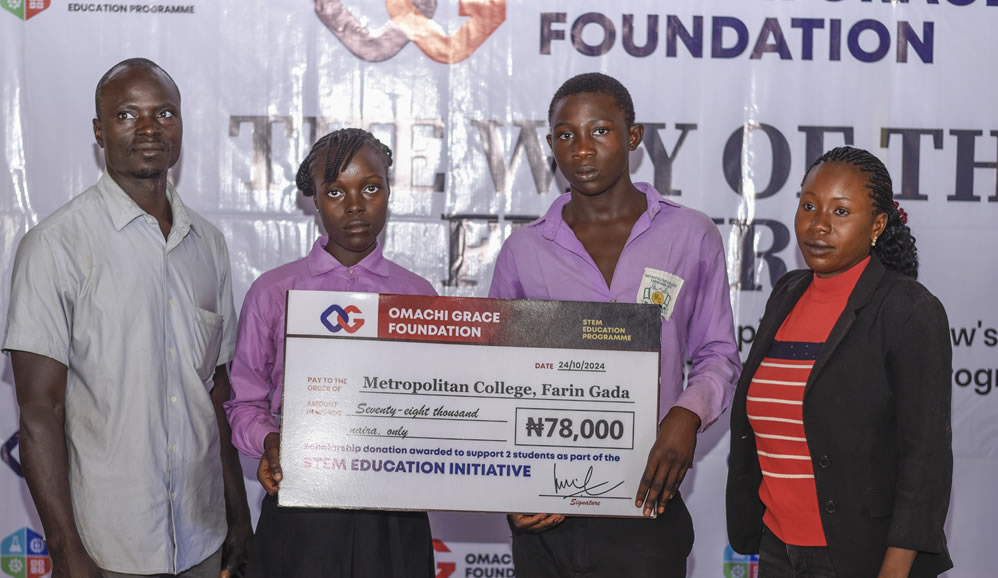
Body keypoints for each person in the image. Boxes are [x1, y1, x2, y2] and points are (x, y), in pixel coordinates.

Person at [2, 58, 251, 577]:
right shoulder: (54, 246)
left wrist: (237, 516)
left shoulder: (209, 245)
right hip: (105, 550)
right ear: (99, 132)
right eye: (126, 115)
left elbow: (216, 391)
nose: (148, 128)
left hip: (203, 538)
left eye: (164, 113)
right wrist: (66, 551)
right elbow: (39, 410)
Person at [488, 72, 741, 577]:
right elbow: (497, 375)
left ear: (633, 136)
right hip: (546, 502)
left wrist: (687, 415)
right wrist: (510, 485)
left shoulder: (690, 234)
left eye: (600, 130)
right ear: (550, 146)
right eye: (566, 135)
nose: (582, 149)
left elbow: (717, 352)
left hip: (647, 494)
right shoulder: (524, 250)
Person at [725, 146, 953, 577]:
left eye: (841, 211)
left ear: (877, 225)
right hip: (777, 550)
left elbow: (926, 458)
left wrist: (896, 568)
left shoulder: (908, 309)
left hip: (860, 556)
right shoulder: (787, 293)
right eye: (809, 205)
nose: (819, 224)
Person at [225, 128, 436, 578]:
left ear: (389, 191)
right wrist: (271, 441)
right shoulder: (274, 291)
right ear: (315, 200)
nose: (355, 205)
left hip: (395, 511)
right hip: (302, 506)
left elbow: (439, 404)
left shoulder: (419, 295)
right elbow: (244, 403)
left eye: (371, 188)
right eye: (336, 191)